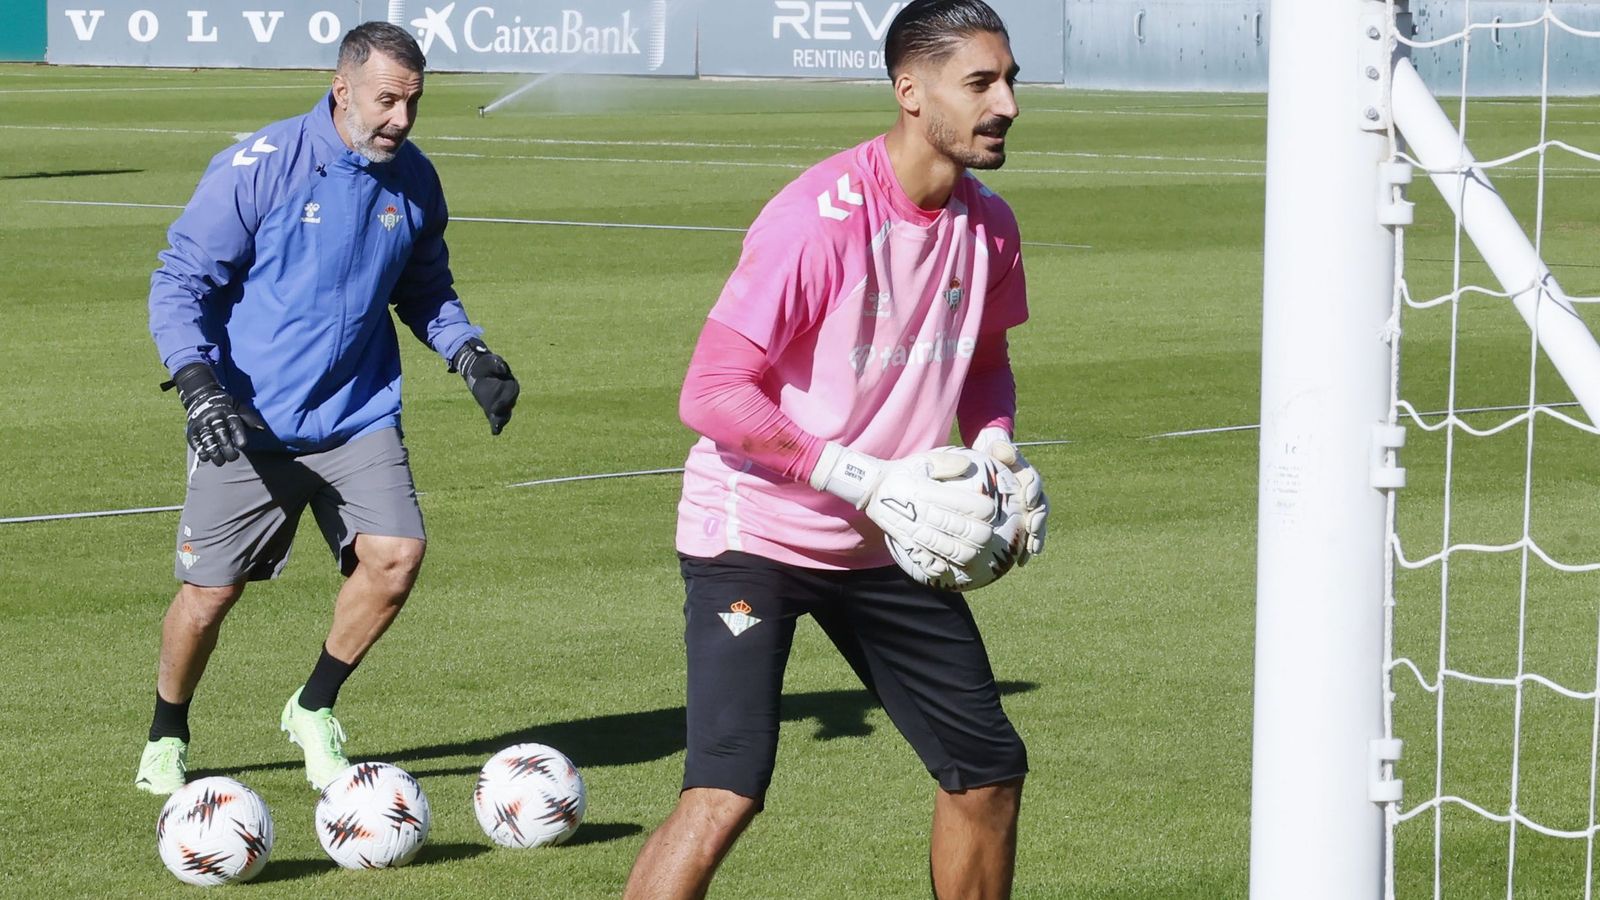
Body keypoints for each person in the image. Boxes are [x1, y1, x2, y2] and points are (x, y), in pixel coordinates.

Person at [622, 2, 1049, 897]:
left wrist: (997, 453)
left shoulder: (991, 227)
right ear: (910, 91)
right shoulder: (817, 220)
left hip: (890, 540)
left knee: (985, 771)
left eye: (1010, 81)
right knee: (726, 789)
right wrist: (860, 477)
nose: (1008, 104)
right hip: (756, 532)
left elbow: (985, 357)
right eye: (981, 84)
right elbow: (711, 392)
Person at [135, 21, 519, 795]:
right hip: (247, 421)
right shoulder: (262, 166)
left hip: (357, 415)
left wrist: (467, 350)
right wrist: (199, 384)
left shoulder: (414, 179)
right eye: (387, 101)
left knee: (397, 556)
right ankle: (166, 731)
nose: (401, 120)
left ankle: (312, 707)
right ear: (342, 89)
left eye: (413, 103)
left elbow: (425, 288)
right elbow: (179, 281)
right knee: (209, 596)